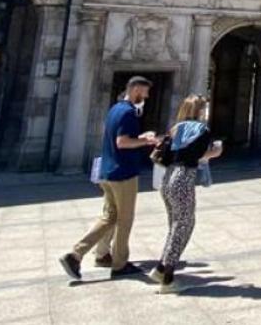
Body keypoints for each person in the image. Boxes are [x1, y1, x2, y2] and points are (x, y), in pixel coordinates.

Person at [59, 76, 157, 280]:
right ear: (136, 89)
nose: (146, 97)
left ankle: (96, 254)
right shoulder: (129, 113)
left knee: (109, 216)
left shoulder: (115, 109)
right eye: (145, 92)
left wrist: (140, 137)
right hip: (123, 173)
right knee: (124, 219)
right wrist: (145, 141)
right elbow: (122, 142)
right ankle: (119, 264)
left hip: (107, 170)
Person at [151, 95, 222, 293]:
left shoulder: (176, 128)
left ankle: (160, 268)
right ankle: (167, 278)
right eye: (203, 108)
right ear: (199, 111)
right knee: (184, 225)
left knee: (175, 225)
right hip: (183, 178)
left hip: (167, 178)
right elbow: (200, 154)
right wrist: (215, 152)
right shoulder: (202, 129)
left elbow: (168, 154)